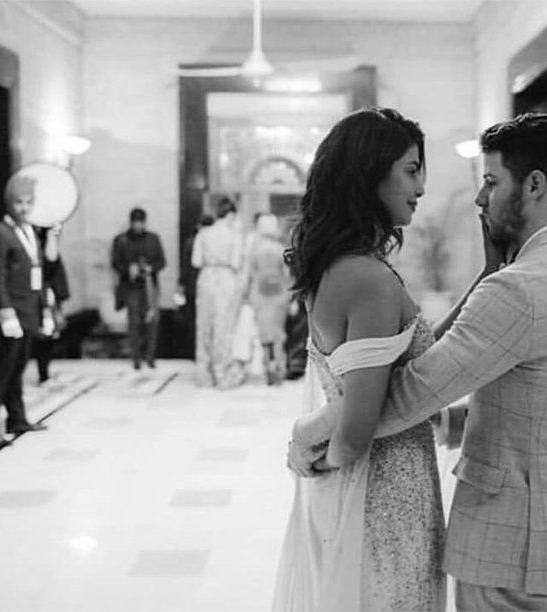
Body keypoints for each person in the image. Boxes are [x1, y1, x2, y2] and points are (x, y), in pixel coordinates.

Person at [290, 113, 547, 612]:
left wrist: (312, 434)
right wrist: (447, 421)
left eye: (491, 182)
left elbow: (404, 396)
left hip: (509, 541)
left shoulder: (519, 289)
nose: (479, 198)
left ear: (534, 185)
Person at [271, 107, 445, 611]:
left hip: (362, 492)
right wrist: (318, 460)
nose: (422, 187)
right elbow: (355, 431)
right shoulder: (367, 278)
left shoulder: (340, 267)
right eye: (411, 170)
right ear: (370, 175)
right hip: (385, 495)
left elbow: (406, 364)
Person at [0, 175, 54, 448]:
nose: (24, 207)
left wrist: (45, 310)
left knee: (17, 368)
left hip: (29, 312)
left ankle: (17, 418)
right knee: (1, 370)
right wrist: (4, 312)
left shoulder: (29, 232)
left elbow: (38, 274)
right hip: (11, 314)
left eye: (29, 202)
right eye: (19, 202)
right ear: (9, 203)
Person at [191, 196, 245, 387]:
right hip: (226, 278)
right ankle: (222, 374)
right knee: (224, 326)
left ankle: (203, 375)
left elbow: (196, 261)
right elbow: (236, 263)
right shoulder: (233, 235)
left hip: (206, 277)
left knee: (204, 326)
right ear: (230, 214)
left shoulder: (203, 234)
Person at [112, 207, 166, 370]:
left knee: (152, 322)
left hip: (150, 286)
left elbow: (162, 261)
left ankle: (150, 356)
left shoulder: (153, 239)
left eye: (141, 222)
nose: (138, 226)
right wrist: (129, 269)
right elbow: (115, 263)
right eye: (136, 222)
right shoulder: (121, 240)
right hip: (131, 287)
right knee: (134, 322)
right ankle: (136, 357)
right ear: (131, 223)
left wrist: (150, 268)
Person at [246, 213, 291, 385]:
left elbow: (250, 274)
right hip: (279, 293)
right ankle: (279, 368)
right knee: (278, 333)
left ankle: (267, 369)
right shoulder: (280, 249)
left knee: (264, 334)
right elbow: (286, 274)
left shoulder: (254, 250)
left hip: (259, 293)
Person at [32, 224, 69, 385]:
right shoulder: (36, 244)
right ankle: (43, 374)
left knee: (49, 334)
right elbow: (49, 266)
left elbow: (54, 269)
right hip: (39, 295)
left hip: (50, 296)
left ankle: (44, 373)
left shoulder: (50, 245)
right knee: (43, 335)